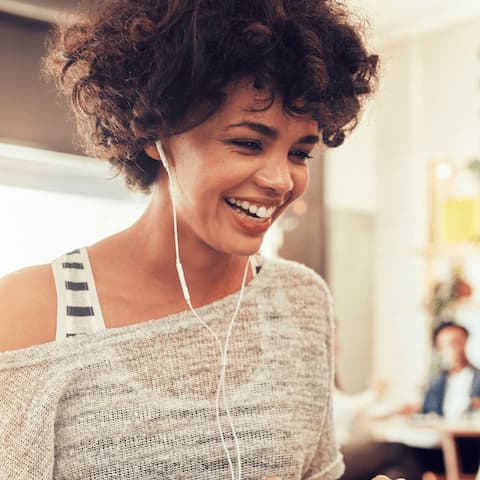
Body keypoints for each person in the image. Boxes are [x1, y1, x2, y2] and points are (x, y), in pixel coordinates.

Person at [0, 1, 380, 479]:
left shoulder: (300, 303)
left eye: (300, 152)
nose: (282, 180)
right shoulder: (33, 313)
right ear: (155, 132)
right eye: (248, 142)